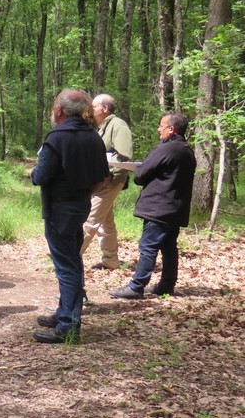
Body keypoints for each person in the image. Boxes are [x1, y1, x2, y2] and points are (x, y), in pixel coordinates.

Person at [29, 89, 109, 344]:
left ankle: (68, 326)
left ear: (60, 110)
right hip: (81, 204)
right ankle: (64, 313)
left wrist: (33, 173)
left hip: (60, 208)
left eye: (54, 106)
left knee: (66, 266)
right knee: (72, 261)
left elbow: (41, 176)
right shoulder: (93, 137)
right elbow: (103, 178)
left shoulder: (58, 137)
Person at [109, 112, 196, 299]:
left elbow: (141, 176)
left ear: (171, 129)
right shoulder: (187, 150)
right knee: (169, 247)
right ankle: (166, 285)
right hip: (175, 208)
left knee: (148, 246)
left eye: (161, 126)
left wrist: (138, 168)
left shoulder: (165, 149)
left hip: (159, 208)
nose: (159, 129)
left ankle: (137, 286)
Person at [81, 94, 134, 270]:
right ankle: (111, 260)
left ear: (105, 109)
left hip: (110, 180)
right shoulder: (101, 126)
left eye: (94, 106)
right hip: (99, 180)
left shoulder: (118, 125)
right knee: (106, 222)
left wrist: (107, 174)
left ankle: (70, 254)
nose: (91, 109)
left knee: (91, 218)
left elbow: (124, 155)